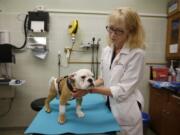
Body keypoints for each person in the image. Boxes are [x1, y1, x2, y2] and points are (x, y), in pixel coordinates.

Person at [73, 7, 145, 135]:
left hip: (125, 111)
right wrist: (84, 86)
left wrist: (89, 90)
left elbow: (122, 90)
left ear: (131, 31)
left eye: (119, 31)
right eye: (111, 29)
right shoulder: (107, 50)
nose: (112, 35)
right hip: (108, 105)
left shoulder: (137, 54)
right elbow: (103, 78)